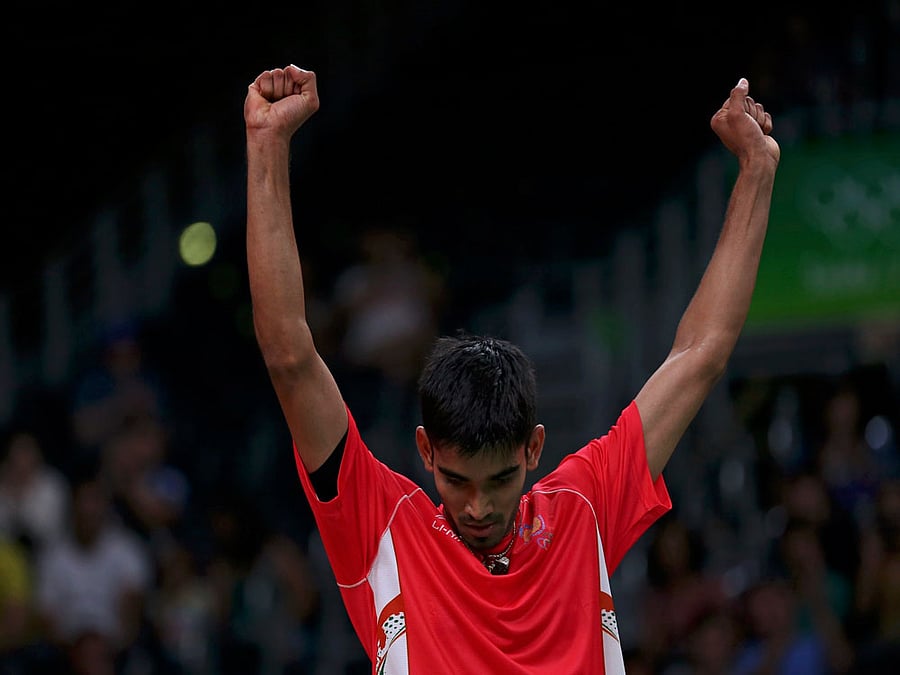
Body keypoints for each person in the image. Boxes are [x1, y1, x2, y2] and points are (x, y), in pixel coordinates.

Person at [243, 64, 779, 673]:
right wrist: (267, 145)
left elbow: (700, 353)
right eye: (457, 480)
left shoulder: (583, 508)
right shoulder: (383, 528)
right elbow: (289, 355)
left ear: (533, 448)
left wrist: (756, 172)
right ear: (425, 451)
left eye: (498, 480)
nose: (477, 508)